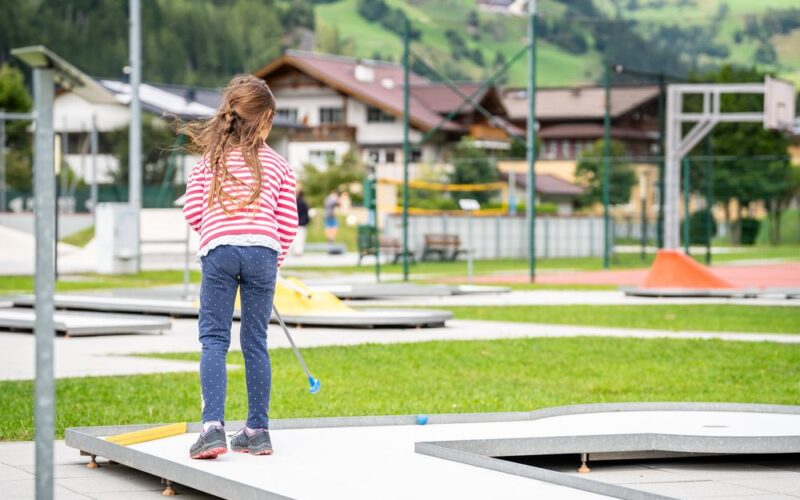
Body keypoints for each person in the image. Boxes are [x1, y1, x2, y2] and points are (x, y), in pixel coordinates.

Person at [181, 75, 297, 459]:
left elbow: (193, 212)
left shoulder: (208, 162)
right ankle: (257, 431)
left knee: (214, 339)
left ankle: (213, 429)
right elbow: (287, 225)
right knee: (255, 341)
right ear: (265, 121)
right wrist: (271, 262)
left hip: (219, 251)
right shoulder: (279, 165)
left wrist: (218, 231)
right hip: (264, 252)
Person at [293, 189, 309, 256]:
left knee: (297, 238)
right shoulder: (303, 203)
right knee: (300, 238)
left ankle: (297, 251)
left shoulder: (295, 203)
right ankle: (298, 251)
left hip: (297, 223)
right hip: (301, 223)